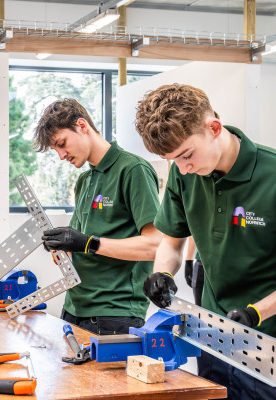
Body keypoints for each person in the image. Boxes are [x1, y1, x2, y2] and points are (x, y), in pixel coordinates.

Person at [136, 83, 276, 399]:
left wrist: (256, 313)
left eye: (187, 155)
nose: (183, 168)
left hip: (269, 346)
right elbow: (171, 242)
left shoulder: (272, 174)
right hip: (213, 336)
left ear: (214, 128)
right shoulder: (184, 174)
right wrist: (162, 274)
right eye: (173, 160)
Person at [33, 98, 162, 335]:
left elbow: (154, 245)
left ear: (82, 126)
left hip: (115, 314)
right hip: (74, 309)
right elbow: (80, 246)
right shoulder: (84, 180)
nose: (61, 155)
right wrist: (63, 245)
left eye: (62, 144)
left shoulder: (133, 170)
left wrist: (89, 243)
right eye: (56, 150)